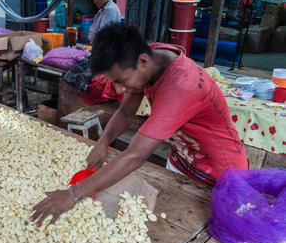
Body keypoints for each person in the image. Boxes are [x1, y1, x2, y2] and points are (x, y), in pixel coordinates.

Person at [31, 24, 249, 226]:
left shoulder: (182, 87)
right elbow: (126, 111)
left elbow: (135, 155)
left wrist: (73, 194)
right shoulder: (148, 59)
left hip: (221, 175)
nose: (117, 90)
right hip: (182, 163)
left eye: (120, 81)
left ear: (143, 62)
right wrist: (103, 142)